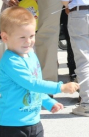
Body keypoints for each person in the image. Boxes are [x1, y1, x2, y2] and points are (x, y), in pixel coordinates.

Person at [0, 7, 79, 136]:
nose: (28, 41)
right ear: (5, 37)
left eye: (32, 35)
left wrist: (47, 101)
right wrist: (61, 87)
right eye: (22, 37)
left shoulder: (31, 55)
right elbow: (32, 83)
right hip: (12, 124)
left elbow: (36, 86)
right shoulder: (11, 61)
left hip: (34, 121)